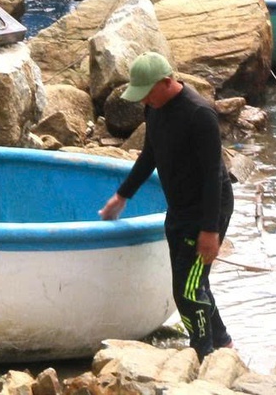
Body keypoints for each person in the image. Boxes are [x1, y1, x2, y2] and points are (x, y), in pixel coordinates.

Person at [98, 52, 235, 358]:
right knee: (195, 283)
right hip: (179, 209)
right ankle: (224, 344)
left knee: (186, 291)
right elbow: (150, 154)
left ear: (166, 82)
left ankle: (202, 354)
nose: (145, 101)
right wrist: (123, 195)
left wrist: (209, 231)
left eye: (147, 93)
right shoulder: (155, 109)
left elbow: (213, 176)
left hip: (207, 210)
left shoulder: (200, 114)